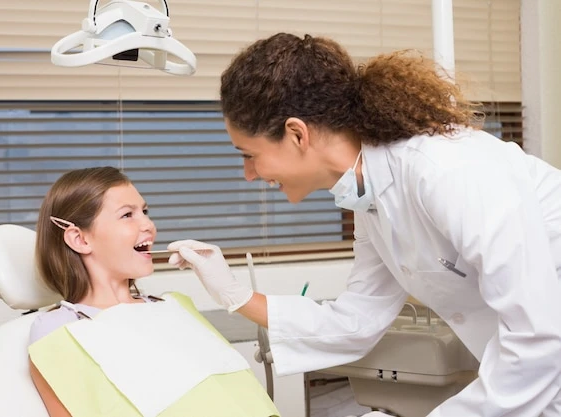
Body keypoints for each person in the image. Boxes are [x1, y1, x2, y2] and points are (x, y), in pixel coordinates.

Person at [167, 33, 561, 416]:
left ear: (296, 134)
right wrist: (233, 294)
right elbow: (358, 320)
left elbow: (537, 338)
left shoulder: (445, 170)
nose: (249, 174)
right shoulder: (369, 196)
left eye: (250, 154)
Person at [28, 166, 279, 417]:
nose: (149, 225)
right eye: (127, 215)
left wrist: (234, 292)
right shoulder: (59, 332)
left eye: (145, 212)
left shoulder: (173, 307)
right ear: (80, 240)